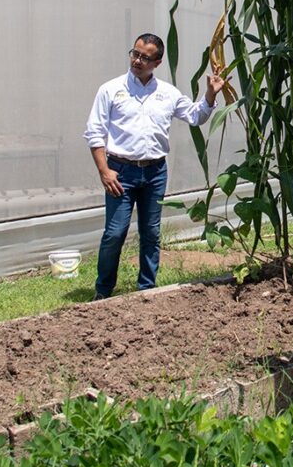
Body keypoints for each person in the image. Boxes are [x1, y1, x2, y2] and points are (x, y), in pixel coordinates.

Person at [84, 33, 225, 299]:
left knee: (151, 232)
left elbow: (195, 116)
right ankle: (103, 291)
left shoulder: (167, 93)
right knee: (115, 232)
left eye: (145, 57)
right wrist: (104, 171)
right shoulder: (111, 90)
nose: (137, 61)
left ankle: (147, 289)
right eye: (135, 54)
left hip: (155, 172)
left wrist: (210, 93)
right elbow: (95, 133)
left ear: (157, 62)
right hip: (120, 172)